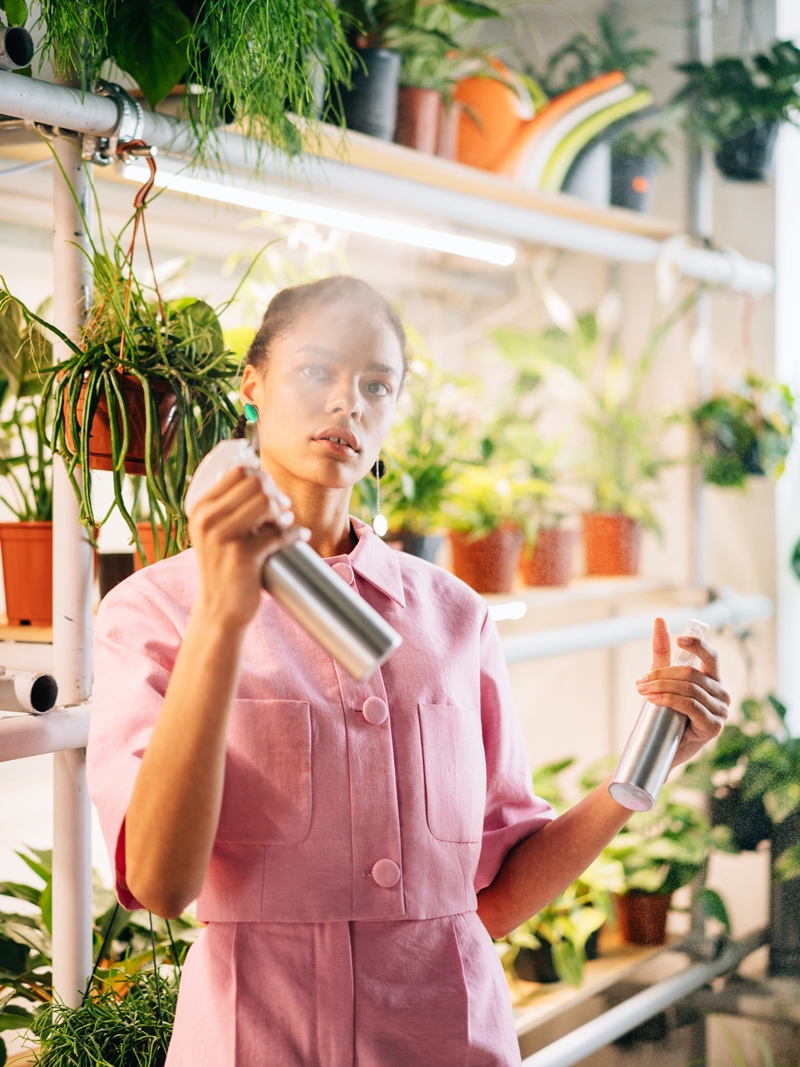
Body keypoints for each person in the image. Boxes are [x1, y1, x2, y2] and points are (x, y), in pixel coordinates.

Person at [88, 276, 730, 1067]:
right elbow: (159, 881)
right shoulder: (154, 609)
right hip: (254, 1042)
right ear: (250, 387)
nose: (346, 403)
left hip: (448, 1042)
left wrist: (654, 759)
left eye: (375, 385)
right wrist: (225, 613)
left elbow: (492, 899)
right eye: (317, 371)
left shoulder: (455, 616)